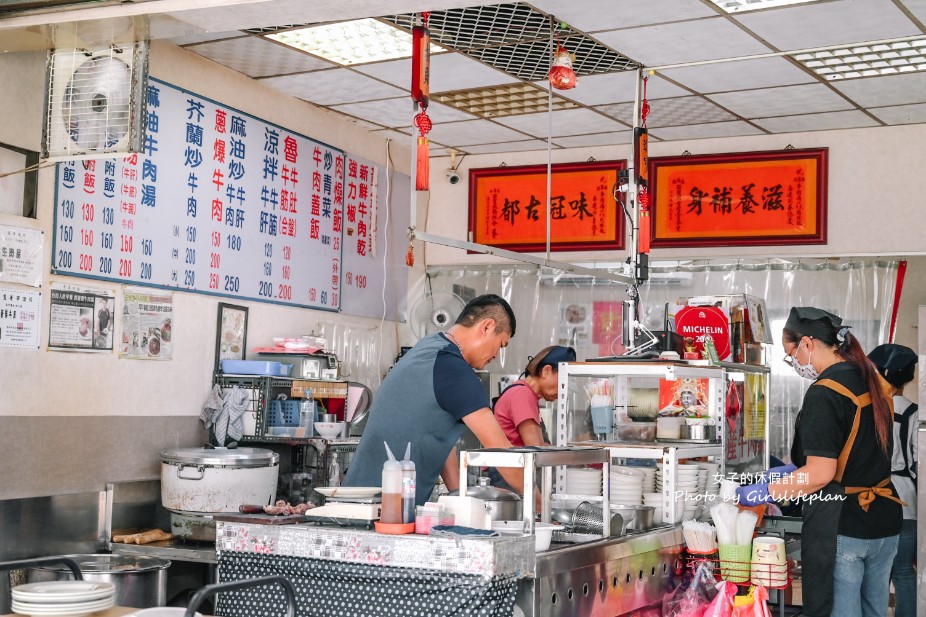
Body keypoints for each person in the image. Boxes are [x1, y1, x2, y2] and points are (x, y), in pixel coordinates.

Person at [736, 307, 902, 617]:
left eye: (791, 354)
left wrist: (767, 491)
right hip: (884, 519)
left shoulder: (825, 392)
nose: (795, 363)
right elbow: (856, 452)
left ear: (807, 343)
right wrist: (792, 471)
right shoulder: (871, 379)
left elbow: (821, 473)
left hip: (845, 523)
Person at [343, 294, 529, 506]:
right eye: (501, 345)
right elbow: (501, 451)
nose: (496, 355)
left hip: (363, 501)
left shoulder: (429, 348)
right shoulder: (453, 369)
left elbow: (440, 438)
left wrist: (459, 498)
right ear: (487, 327)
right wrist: (540, 507)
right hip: (377, 508)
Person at [868, 343, 918, 617]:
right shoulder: (915, 413)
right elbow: (919, 461)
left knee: (876, 571)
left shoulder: (869, 407)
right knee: (904, 571)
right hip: (907, 499)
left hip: (872, 497)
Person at [493, 345, 576, 448]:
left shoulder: (525, 393)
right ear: (546, 371)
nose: (563, 391)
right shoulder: (521, 394)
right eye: (563, 383)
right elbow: (536, 448)